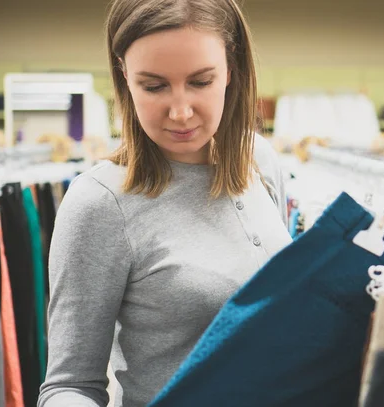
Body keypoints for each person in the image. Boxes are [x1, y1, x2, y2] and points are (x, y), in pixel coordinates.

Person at [37, 0, 292, 406]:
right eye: (153, 86)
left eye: (201, 81)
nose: (180, 111)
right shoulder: (100, 203)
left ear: (232, 70)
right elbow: (69, 384)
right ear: (124, 77)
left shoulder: (259, 161)